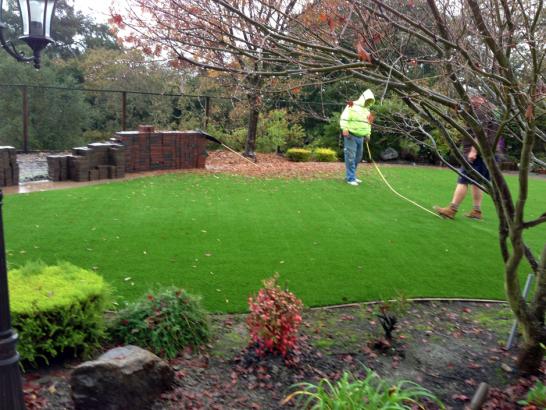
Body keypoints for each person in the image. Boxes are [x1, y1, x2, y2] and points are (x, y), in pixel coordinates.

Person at [434, 96, 499, 220]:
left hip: (477, 153)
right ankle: (477, 211)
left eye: (472, 99)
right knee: (478, 182)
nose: (470, 103)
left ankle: (452, 209)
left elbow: (482, 133)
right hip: (489, 153)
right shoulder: (492, 110)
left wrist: (473, 151)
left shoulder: (481, 111)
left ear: (480, 98)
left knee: (463, 179)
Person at [339, 89, 375, 186]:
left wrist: (368, 134)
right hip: (351, 135)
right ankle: (350, 178)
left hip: (361, 137)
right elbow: (344, 117)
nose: (369, 102)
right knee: (350, 156)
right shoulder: (351, 105)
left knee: (358, 157)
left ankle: (352, 175)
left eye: (370, 101)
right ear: (363, 98)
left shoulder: (368, 110)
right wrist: (344, 128)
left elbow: (369, 123)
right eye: (368, 100)